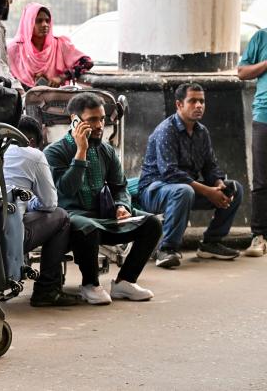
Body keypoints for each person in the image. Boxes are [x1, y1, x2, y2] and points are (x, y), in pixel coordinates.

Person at [44, 93, 161, 306]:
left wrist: (121, 206)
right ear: (75, 120)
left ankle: (125, 281)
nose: (100, 125)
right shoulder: (55, 152)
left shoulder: (106, 151)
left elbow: (120, 187)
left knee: (152, 223)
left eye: (102, 119)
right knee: (88, 227)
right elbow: (66, 190)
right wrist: (81, 153)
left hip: (103, 217)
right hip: (72, 218)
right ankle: (90, 284)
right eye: (92, 120)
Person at [138, 83, 243, 268]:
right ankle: (167, 250)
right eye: (193, 101)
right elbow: (170, 173)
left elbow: (210, 167)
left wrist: (219, 185)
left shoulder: (202, 132)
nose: (199, 105)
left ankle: (210, 243)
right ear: (179, 104)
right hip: (155, 191)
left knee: (235, 188)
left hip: (187, 190)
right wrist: (209, 192)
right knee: (183, 191)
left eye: (202, 101)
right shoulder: (166, 130)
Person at [3, 116, 77, 306]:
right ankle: (48, 289)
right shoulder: (34, 155)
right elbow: (50, 204)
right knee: (61, 216)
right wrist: (30, 201)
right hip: (9, 236)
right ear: (32, 142)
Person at [7, 2, 93, 90]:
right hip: (23, 100)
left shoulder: (59, 45)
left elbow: (87, 62)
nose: (45, 25)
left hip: (56, 100)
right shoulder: (14, 49)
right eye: (39, 21)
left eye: (47, 21)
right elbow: (6, 76)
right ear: (28, 23)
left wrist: (61, 77)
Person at [238, 28, 267, 257]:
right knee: (261, 180)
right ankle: (259, 236)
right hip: (264, 117)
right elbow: (242, 72)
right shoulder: (261, 37)